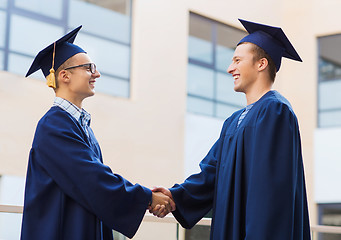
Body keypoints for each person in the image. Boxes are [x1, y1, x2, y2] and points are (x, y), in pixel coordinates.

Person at [151, 19, 311, 239]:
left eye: (237, 60)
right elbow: (212, 173)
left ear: (261, 64)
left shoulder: (275, 112)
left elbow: (270, 193)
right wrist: (175, 196)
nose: (230, 68)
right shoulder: (234, 121)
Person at [21, 26, 174, 240]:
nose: (97, 73)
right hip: (62, 231)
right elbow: (92, 179)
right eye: (89, 67)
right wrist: (147, 197)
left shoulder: (79, 124)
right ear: (64, 75)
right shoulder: (53, 125)